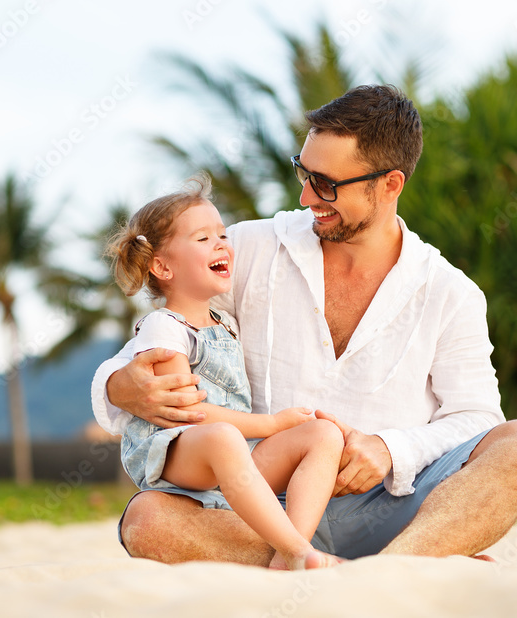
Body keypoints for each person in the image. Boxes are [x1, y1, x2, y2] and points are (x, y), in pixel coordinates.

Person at [91, 84, 517, 566]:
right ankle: (355, 559)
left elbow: (478, 417)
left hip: (391, 506)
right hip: (256, 505)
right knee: (147, 519)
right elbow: (167, 325)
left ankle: (393, 564)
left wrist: (390, 448)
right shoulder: (248, 249)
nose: (307, 195)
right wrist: (120, 386)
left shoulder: (450, 292)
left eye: (327, 183)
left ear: (390, 184)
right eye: (304, 172)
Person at [105, 176, 345, 570]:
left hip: (235, 464)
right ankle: (297, 550)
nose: (221, 243)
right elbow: (189, 413)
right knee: (221, 436)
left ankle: (292, 551)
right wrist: (270, 424)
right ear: (162, 266)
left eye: (222, 234)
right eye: (203, 239)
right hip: (181, 456)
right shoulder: (164, 328)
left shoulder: (226, 323)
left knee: (323, 434)